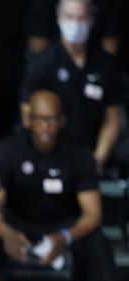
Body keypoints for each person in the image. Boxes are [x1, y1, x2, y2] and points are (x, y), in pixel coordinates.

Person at [0, 90, 127, 281]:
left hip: (63, 226)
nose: (45, 127)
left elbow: (93, 214)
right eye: (40, 119)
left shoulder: (78, 154)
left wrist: (65, 237)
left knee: (99, 242)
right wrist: (7, 233)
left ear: (62, 121)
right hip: (18, 223)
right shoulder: (8, 150)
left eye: (51, 120)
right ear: (28, 119)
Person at [21, 0, 124, 173]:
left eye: (81, 18)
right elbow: (28, 115)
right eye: (70, 17)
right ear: (59, 18)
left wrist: (98, 158)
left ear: (91, 20)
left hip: (94, 148)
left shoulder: (106, 65)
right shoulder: (42, 64)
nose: (75, 24)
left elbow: (112, 119)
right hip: (53, 149)